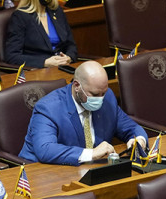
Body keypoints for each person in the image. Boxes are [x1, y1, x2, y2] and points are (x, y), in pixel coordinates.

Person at [19, 61, 148, 166]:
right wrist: (91, 153)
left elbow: (132, 128)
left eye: (103, 93)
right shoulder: (48, 108)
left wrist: (138, 141)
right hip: (41, 173)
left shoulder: (107, 99)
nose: (100, 99)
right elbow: (45, 149)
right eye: (95, 94)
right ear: (76, 86)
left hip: (87, 171)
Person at [4, 0, 77, 68]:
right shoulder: (20, 16)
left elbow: (71, 45)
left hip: (63, 67)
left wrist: (68, 57)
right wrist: (44, 62)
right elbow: (12, 56)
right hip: (37, 71)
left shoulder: (57, 11)